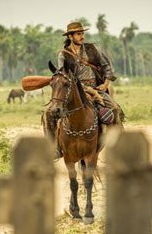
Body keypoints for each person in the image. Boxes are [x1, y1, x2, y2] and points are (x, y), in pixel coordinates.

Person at [44, 22, 124, 159]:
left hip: (96, 89)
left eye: (83, 33)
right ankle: (54, 148)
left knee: (115, 109)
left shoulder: (92, 49)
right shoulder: (63, 55)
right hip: (74, 91)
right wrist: (82, 88)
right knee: (49, 114)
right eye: (79, 34)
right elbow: (64, 75)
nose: (82, 36)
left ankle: (118, 146)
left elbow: (107, 66)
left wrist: (105, 84)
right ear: (70, 36)